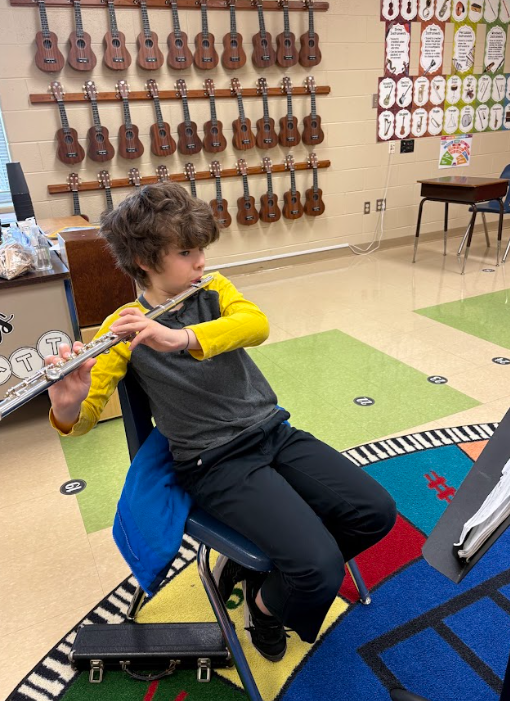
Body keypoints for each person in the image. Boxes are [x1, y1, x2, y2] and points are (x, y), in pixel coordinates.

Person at [48, 182, 397, 662]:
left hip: (272, 432)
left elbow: (256, 325)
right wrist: (69, 404)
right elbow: (83, 419)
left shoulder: (213, 291)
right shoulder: (122, 328)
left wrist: (180, 337)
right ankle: (265, 607)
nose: (201, 263)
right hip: (214, 462)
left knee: (375, 511)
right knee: (317, 567)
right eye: (187, 252)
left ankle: (276, 580)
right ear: (146, 261)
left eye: (201, 249)